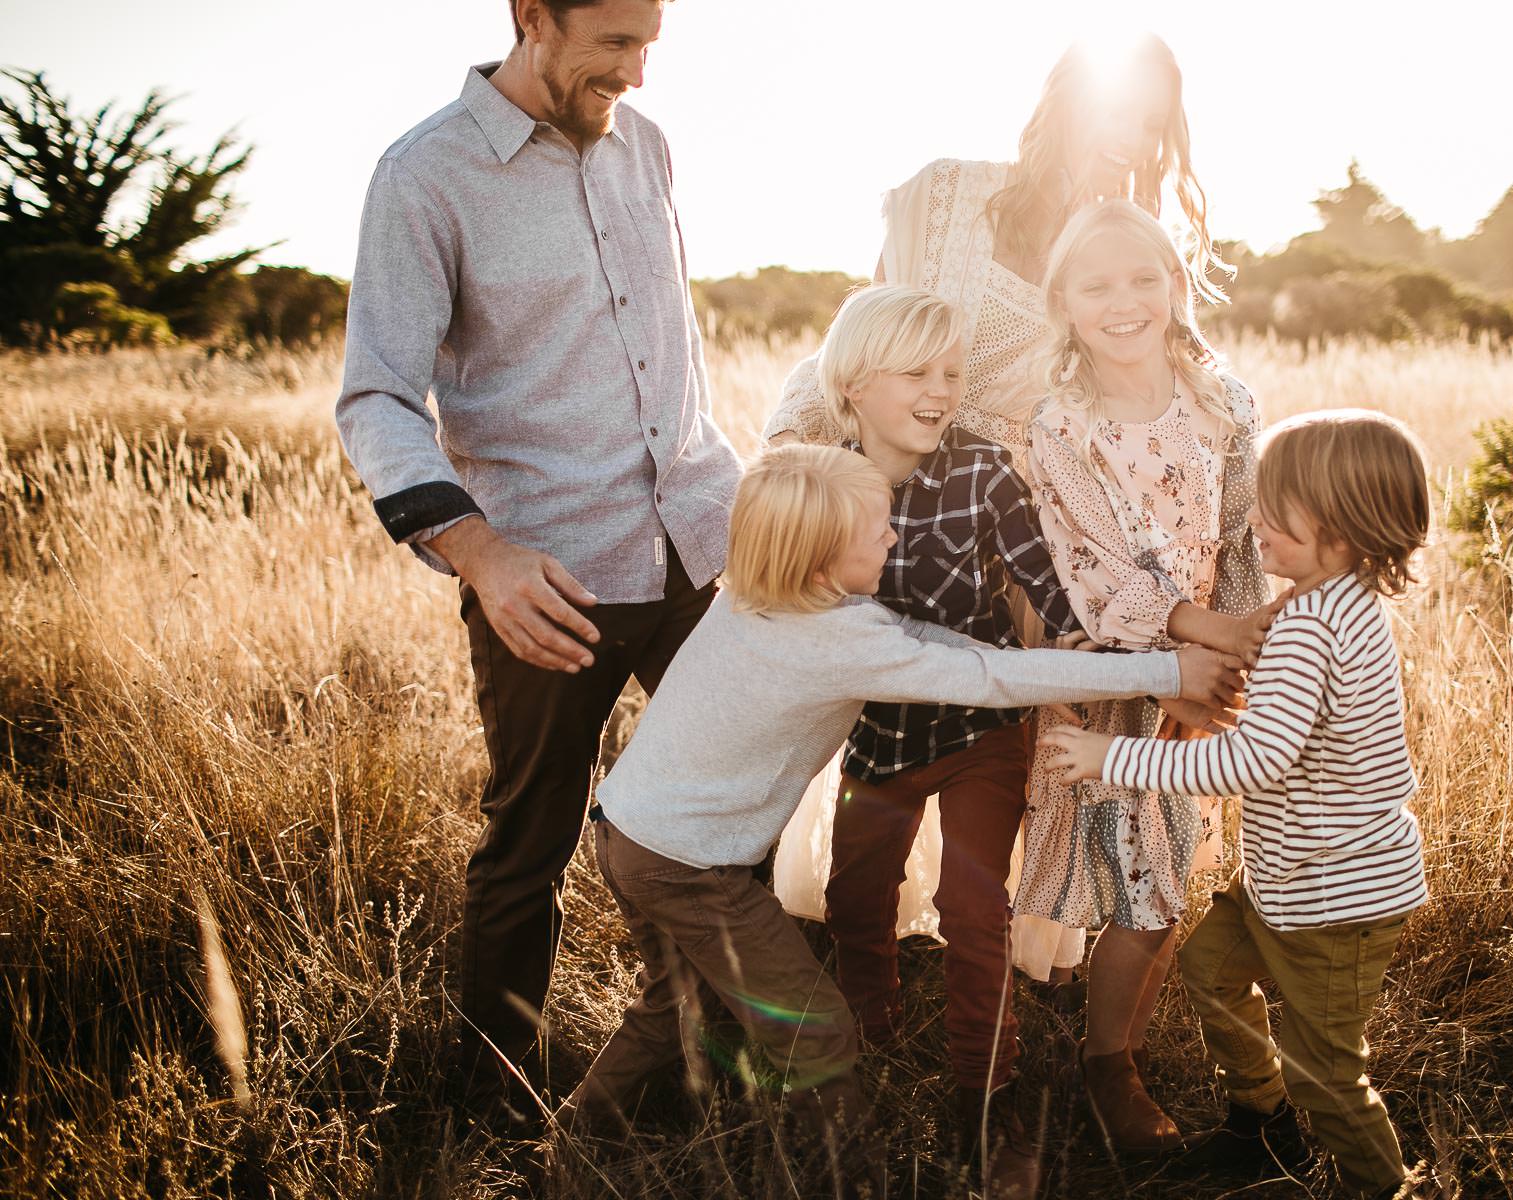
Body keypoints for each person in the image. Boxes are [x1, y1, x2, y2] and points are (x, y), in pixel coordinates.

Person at [555, 444, 1246, 1193]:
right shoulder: (833, 641)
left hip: (629, 832)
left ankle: (571, 1136)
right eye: (878, 530)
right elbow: (981, 677)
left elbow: (922, 644)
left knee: (673, 1004)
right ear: (822, 564)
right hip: (689, 868)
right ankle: (848, 1177)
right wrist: (1164, 670)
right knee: (818, 1029)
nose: (894, 537)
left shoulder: (762, 597)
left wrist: (1026, 655)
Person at [766, 33, 1267, 988]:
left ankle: (1010, 959)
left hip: (1042, 525)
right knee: (883, 726)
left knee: (1026, 755)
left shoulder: (1121, 244)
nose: (1132, 141)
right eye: (1119, 111)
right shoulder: (949, 196)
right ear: (1064, 103)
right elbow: (876, 326)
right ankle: (859, 942)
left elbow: (1181, 377)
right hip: (911, 505)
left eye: (1153, 126)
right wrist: (799, 468)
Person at [334, 0, 741, 1127]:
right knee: (532, 841)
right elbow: (375, 396)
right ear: (532, 17)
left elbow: (672, 355)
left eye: (651, 43)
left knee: (733, 812)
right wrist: (481, 555)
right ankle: (495, 1103)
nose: (639, 73)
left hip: (700, 548)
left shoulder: (645, 148)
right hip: (544, 578)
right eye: (615, 43)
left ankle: (724, 1067)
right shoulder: (423, 175)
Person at [1042, 409, 1434, 1198]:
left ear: (1343, 523)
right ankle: (1261, 1119)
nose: (1255, 520)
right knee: (1210, 965)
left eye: (1278, 510)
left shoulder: (1313, 627)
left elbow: (1253, 759)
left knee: (1328, 1071)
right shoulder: (1332, 603)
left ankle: (1383, 1185)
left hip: (1335, 899)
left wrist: (1109, 756)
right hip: (1294, 879)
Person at [801, 286, 1118, 1198]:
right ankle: (875, 1041)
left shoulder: (982, 470)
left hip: (982, 725)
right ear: (855, 385)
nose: (942, 391)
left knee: (974, 908)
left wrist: (1082, 651)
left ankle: (987, 1090)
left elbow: (1043, 580)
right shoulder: (821, 479)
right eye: (918, 373)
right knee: (857, 895)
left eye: (953, 373)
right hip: (880, 733)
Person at [1019, 198, 1281, 1155]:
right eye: (1097, 284)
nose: (1124, 301)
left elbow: (1242, 536)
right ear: (1064, 302)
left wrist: (1239, 661)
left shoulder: (1225, 400)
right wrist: (1190, 647)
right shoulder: (1061, 422)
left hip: (1209, 667)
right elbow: (1087, 567)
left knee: (1166, 865)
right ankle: (1090, 1056)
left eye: (1145, 278)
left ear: (1177, 284)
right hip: (1108, 659)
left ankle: (1108, 1048)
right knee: (1104, 853)